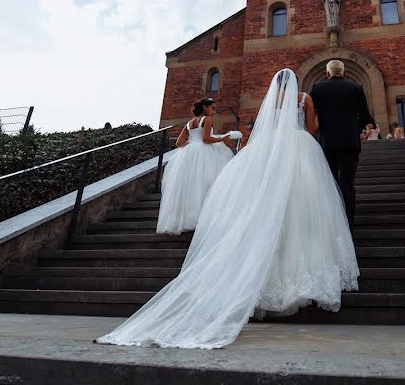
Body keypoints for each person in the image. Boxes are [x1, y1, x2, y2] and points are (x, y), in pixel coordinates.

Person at [97, 69, 358, 349]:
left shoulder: (272, 101)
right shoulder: (303, 97)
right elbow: (311, 128)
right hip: (300, 148)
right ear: (295, 82)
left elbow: (263, 128)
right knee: (304, 204)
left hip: (271, 150)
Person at [156, 98, 239, 234]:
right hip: (204, 153)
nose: (214, 110)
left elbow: (179, 143)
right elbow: (206, 139)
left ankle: (186, 220)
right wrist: (223, 138)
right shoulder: (207, 120)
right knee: (205, 182)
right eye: (212, 108)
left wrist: (192, 147)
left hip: (188, 154)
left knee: (189, 186)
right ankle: (205, 218)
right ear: (205, 108)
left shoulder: (189, 123)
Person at [309, 59, 374, 227]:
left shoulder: (317, 89)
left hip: (326, 143)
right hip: (349, 143)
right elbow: (365, 115)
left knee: (330, 182)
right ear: (343, 72)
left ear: (327, 73)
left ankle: (333, 221)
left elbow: (312, 116)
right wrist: (358, 129)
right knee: (348, 183)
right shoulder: (356, 88)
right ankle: (349, 222)